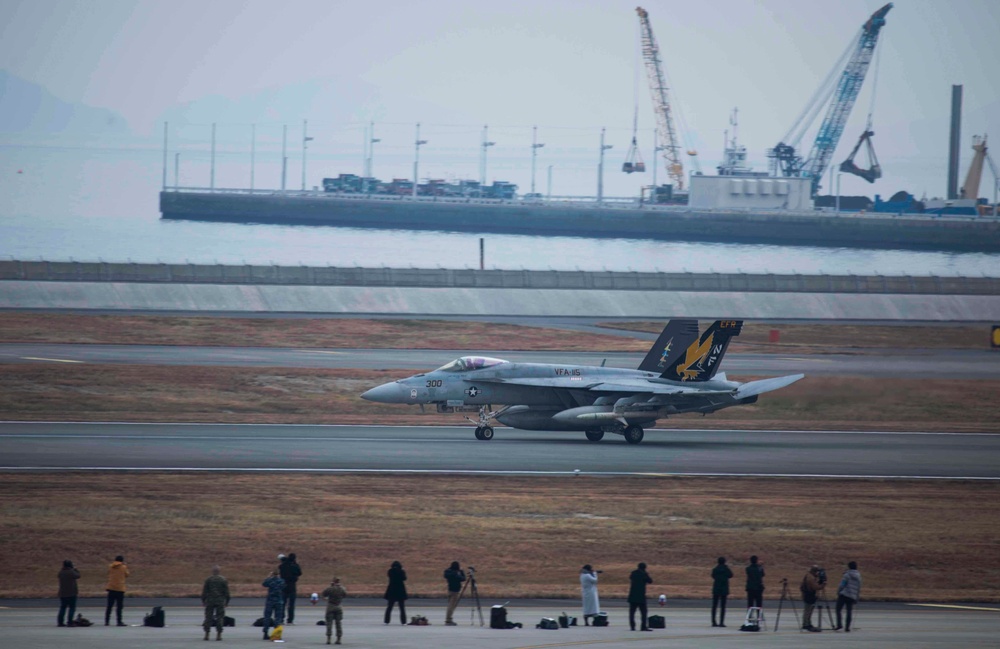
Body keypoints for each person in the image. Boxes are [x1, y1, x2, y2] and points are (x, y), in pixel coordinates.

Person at [201, 565, 230, 641]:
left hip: (210, 601)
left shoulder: (208, 579)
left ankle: (207, 634)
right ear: (219, 571)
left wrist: (203, 600)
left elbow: (205, 591)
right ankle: (219, 635)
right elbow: (226, 592)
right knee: (220, 617)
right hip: (220, 601)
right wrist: (227, 601)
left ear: (212, 571)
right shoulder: (223, 579)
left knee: (208, 617)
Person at [835, 561, 862, 633]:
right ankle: (847, 627)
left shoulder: (847, 575)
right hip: (852, 596)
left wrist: (838, 591)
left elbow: (842, 584)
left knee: (838, 609)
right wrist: (856, 597)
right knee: (849, 611)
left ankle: (839, 625)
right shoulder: (858, 576)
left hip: (844, 594)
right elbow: (858, 588)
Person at [104, 555, 129, 626]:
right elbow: (127, 575)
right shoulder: (123, 567)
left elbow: (108, 573)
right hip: (120, 589)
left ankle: (107, 621)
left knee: (109, 606)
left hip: (111, 588)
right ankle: (119, 621)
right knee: (119, 606)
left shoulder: (110, 566)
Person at [628, 562, 653, 632]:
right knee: (644, 612)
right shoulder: (644, 574)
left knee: (632, 612)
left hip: (632, 595)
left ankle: (632, 626)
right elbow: (650, 581)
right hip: (641, 596)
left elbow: (630, 578)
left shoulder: (633, 573)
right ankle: (643, 626)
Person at [279, 553, 303, 625]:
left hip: (283, 586)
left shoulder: (283, 565)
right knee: (291, 605)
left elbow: (280, 567)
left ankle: (281, 619)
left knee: (282, 604)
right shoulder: (294, 566)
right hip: (292, 586)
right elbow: (299, 573)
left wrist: (285, 561)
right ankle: (290, 620)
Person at [261, 570, 286, 640]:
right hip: (278, 601)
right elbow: (283, 587)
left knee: (267, 617)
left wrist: (268, 577)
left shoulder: (269, 581)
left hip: (270, 601)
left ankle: (265, 633)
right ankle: (276, 633)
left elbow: (264, 584)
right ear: (278, 574)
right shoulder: (281, 581)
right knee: (278, 618)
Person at [322, 576, 347, 645]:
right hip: (338, 606)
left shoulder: (330, 588)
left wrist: (331, 586)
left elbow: (324, 594)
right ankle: (339, 639)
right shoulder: (342, 589)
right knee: (338, 624)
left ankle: (328, 639)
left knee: (329, 623)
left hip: (330, 606)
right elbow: (345, 595)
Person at [800, 565, 825, 632]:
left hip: (807, 594)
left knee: (807, 610)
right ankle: (806, 624)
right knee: (808, 610)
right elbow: (815, 587)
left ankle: (807, 623)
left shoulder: (809, 576)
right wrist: (822, 585)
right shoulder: (811, 578)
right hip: (809, 595)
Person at [711, 556, 734, 627]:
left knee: (714, 605)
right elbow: (731, 575)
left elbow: (713, 576)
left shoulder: (715, 569)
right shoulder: (726, 569)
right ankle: (721, 622)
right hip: (724, 588)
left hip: (716, 588)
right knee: (723, 606)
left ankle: (714, 621)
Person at [383, 560, 408, 625]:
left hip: (392, 590)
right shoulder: (401, 571)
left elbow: (389, 576)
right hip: (400, 591)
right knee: (402, 608)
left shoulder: (390, 571)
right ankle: (403, 621)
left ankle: (387, 621)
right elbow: (404, 578)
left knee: (389, 607)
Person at [57, 560, 80, 627]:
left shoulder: (61, 572)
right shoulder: (71, 572)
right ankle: (70, 622)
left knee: (63, 608)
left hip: (63, 593)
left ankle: (60, 622)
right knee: (72, 608)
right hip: (71, 593)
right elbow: (78, 576)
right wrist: (76, 569)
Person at [443, 561, 466, 626]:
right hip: (455, 591)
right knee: (451, 606)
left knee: (450, 605)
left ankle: (448, 619)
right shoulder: (456, 574)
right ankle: (448, 619)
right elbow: (463, 578)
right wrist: (461, 571)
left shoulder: (448, 572)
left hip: (450, 590)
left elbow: (445, 574)